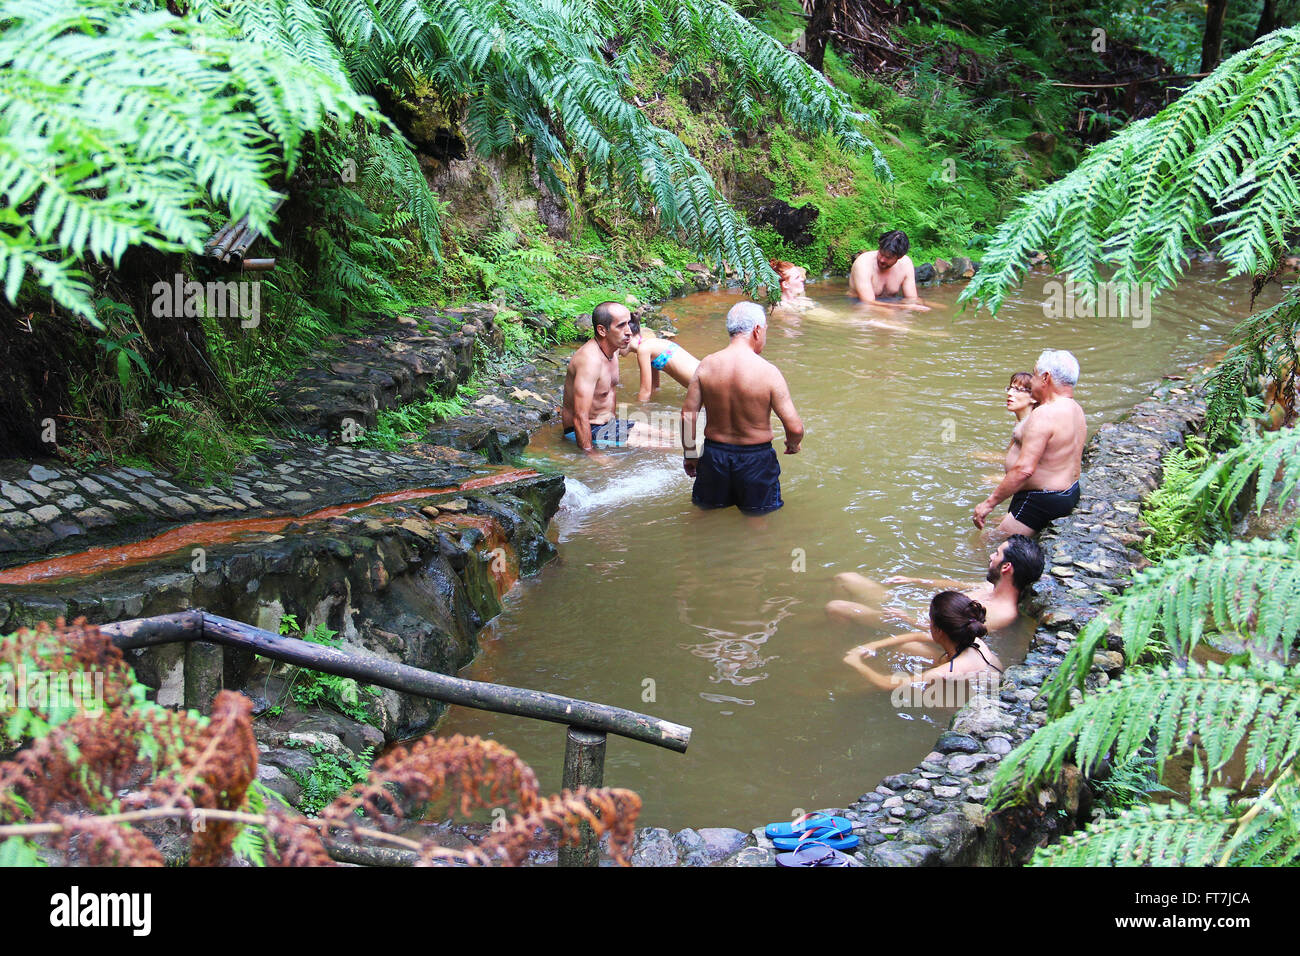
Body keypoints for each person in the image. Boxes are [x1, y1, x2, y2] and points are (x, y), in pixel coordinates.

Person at [681, 301, 804, 515]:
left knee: (705, 516)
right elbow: (794, 427)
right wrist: (793, 444)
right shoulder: (768, 372)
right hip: (755, 459)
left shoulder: (707, 365)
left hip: (714, 456)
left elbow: (687, 416)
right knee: (757, 520)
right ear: (757, 330)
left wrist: (691, 454)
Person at [826, 534, 1044, 631]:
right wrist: (914, 580)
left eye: (996, 554)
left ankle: (839, 640)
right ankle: (852, 625)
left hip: (904, 622)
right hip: (906, 606)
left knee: (835, 607)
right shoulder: (991, 586)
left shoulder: (1001, 614)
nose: (990, 557)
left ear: (1006, 568)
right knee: (845, 578)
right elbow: (956, 584)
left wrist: (908, 619)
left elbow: (956, 635)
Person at [973, 349, 1086, 536]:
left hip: (1040, 500)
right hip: (1068, 492)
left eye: (1034, 374)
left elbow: (1024, 469)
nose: (1032, 380)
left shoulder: (1045, 414)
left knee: (987, 546)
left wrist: (988, 503)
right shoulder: (1076, 409)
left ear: (1045, 377)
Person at [843, 591, 1002, 690]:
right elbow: (917, 636)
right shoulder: (970, 636)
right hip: (984, 679)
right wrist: (873, 645)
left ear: (939, 630)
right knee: (911, 647)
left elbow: (889, 684)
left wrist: (856, 663)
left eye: (930, 621)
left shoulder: (947, 672)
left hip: (975, 699)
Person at [561, 301, 633, 451]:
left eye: (628, 323)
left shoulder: (614, 348)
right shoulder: (590, 361)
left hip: (609, 425)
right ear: (602, 330)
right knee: (663, 444)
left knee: (671, 435)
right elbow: (580, 416)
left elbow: (637, 346)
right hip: (585, 430)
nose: (629, 331)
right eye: (621, 326)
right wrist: (591, 455)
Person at [847, 230, 930, 310]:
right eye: (881, 253)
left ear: (899, 257)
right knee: (889, 313)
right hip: (859, 305)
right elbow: (868, 302)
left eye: (888, 257)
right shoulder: (863, 263)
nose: (882, 260)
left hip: (890, 304)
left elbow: (911, 299)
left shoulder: (906, 264)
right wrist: (901, 307)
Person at [624, 317, 700, 402]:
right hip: (706, 376)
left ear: (627, 337)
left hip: (704, 383)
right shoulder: (650, 343)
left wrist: (635, 410)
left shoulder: (643, 349)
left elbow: (645, 393)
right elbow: (654, 387)